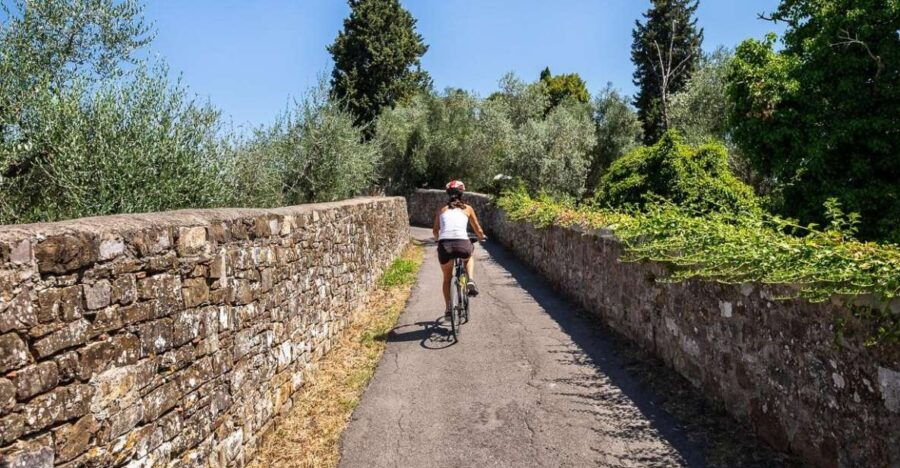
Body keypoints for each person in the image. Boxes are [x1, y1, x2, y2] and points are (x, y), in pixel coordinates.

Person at [433, 180, 486, 318]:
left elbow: (435, 231)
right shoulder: (467, 209)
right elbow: (478, 229)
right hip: (462, 244)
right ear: (462, 193)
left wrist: (437, 240)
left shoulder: (441, 209)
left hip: (445, 246)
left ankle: (448, 309)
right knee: (468, 256)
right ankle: (470, 280)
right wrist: (481, 237)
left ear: (447, 194)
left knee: (446, 279)